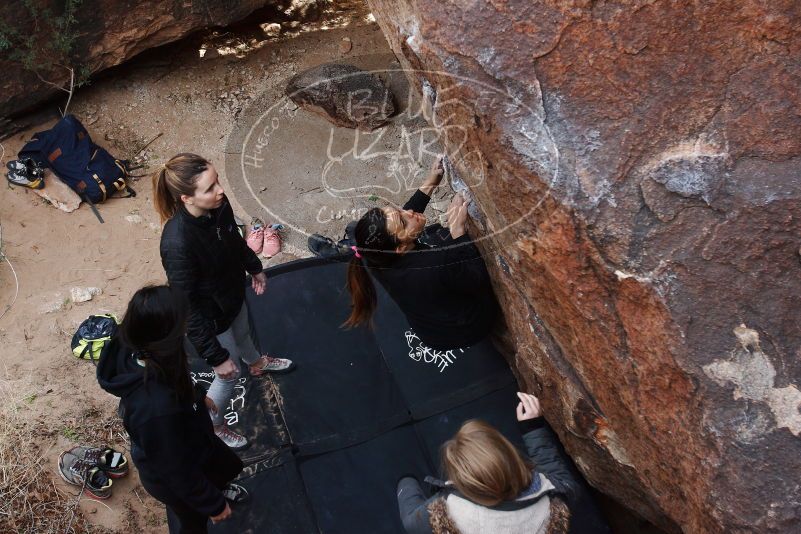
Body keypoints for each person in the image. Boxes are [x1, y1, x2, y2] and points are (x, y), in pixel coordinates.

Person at [153, 153, 294, 450]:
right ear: (186, 198)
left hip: (231, 294)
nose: (220, 190)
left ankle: (257, 362)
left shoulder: (218, 206)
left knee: (244, 333)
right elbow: (185, 307)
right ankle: (214, 425)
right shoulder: (177, 243)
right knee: (229, 375)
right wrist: (216, 357)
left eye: (217, 181)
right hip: (209, 318)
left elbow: (232, 240)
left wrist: (254, 267)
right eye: (209, 187)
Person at [97, 285, 248, 534]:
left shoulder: (139, 344)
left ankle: (217, 488)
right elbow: (176, 469)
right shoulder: (155, 410)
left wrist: (197, 396)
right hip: (173, 468)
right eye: (182, 325)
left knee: (218, 468)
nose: (186, 328)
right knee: (192, 521)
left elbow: (175, 374)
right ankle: (212, 500)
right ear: (166, 336)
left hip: (190, 435)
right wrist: (212, 504)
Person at [340, 158, 499, 350]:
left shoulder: (375, 254)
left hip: (431, 332)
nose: (408, 213)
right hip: (469, 328)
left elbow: (403, 218)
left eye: (398, 210)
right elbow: (477, 278)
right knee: (445, 243)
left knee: (430, 236)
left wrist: (430, 182)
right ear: (399, 249)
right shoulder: (433, 264)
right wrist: (457, 230)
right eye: (404, 222)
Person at [396, 393, 609, 534]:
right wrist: (532, 428)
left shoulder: (448, 511)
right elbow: (560, 478)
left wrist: (405, 482)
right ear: (510, 457)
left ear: (461, 481)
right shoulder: (552, 502)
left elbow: (410, 520)